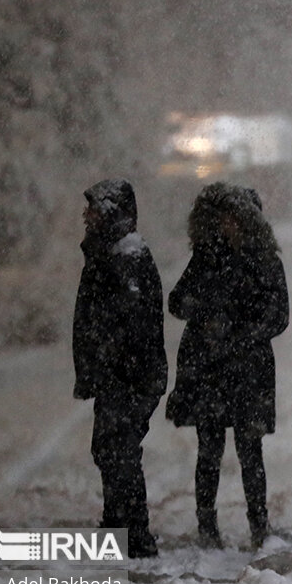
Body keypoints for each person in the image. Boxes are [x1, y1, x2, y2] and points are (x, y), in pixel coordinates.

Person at [166, 183, 289, 550]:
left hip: (246, 368)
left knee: (250, 450)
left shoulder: (265, 261)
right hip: (210, 368)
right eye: (220, 219)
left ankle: (258, 524)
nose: (226, 225)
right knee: (210, 449)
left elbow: (278, 316)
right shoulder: (205, 257)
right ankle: (207, 524)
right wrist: (208, 317)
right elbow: (177, 302)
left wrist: (237, 332)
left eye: (232, 219)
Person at [73, 178, 167, 559]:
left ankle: (134, 532)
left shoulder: (125, 256)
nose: (86, 215)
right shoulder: (112, 251)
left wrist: (110, 359)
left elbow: (128, 319)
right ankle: (118, 527)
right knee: (111, 449)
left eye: (94, 208)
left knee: (119, 450)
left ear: (111, 211)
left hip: (129, 375)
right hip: (122, 373)